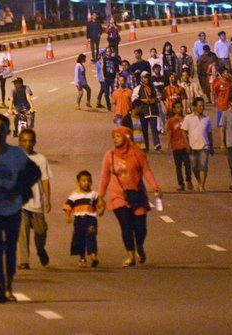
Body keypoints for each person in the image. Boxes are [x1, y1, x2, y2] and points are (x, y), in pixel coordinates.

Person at [0, 114, 41, 303]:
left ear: (7, 131)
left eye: (1, 127)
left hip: (12, 209)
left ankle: (9, 286)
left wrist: (18, 191)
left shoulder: (16, 154)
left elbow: (34, 172)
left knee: (10, 249)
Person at [98, 126, 161, 267]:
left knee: (140, 228)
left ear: (126, 137)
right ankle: (130, 255)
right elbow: (104, 177)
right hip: (118, 196)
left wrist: (155, 186)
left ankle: (139, 245)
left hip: (137, 194)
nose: (115, 139)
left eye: (118, 136)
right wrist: (100, 197)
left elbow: (147, 171)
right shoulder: (110, 156)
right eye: (114, 137)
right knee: (126, 225)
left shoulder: (138, 154)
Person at [18, 129, 52, 270]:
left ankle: (40, 249)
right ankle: (24, 260)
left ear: (34, 142)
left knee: (41, 231)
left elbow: (45, 180)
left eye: (30, 140)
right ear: (19, 142)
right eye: (24, 140)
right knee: (22, 232)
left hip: (37, 201)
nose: (27, 143)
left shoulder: (40, 159)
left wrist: (48, 199)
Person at [64, 170, 101, 268]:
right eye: (84, 181)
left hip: (91, 219)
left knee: (91, 236)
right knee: (80, 239)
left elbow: (100, 204)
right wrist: (68, 216)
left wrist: (101, 210)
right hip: (79, 220)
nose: (86, 183)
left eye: (89, 181)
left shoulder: (94, 194)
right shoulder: (74, 195)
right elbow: (68, 207)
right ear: (78, 182)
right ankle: (82, 258)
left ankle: (93, 256)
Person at [182, 97, 213, 193]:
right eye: (200, 106)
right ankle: (200, 181)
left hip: (204, 146)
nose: (202, 107)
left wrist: (211, 146)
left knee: (203, 166)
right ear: (194, 107)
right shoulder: (188, 118)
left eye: (203, 106)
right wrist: (187, 144)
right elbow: (184, 132)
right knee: (195, 167)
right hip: (192, 147)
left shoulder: (207, 119)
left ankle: (202, 186)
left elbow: (209, 133)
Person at [132, 71, 162, 152]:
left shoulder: (153, 87)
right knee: (144, 129)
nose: (147, 79)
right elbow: (134, 99)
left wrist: (154, 99)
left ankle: (156, 144)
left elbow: (159, 95)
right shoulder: (138, 88)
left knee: (154, 128)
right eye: (145, 77)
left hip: (153, 110)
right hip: (143, 112)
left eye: (147, 77)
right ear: (141, 78)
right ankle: (146, 146)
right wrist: (143, 100)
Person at [100, 47, 120, 112]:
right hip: (106, 79)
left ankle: (114, 104)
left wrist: (117, 75)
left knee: (113, 93)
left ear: (111, 52)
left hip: (113, 78)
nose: (108, 53)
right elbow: (102, 68)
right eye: (107, 51)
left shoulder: (115, 59)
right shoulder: (104, 59)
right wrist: (103, 76)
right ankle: (108, 105)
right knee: (106, 93)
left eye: (109, 51)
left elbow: (118, 68)